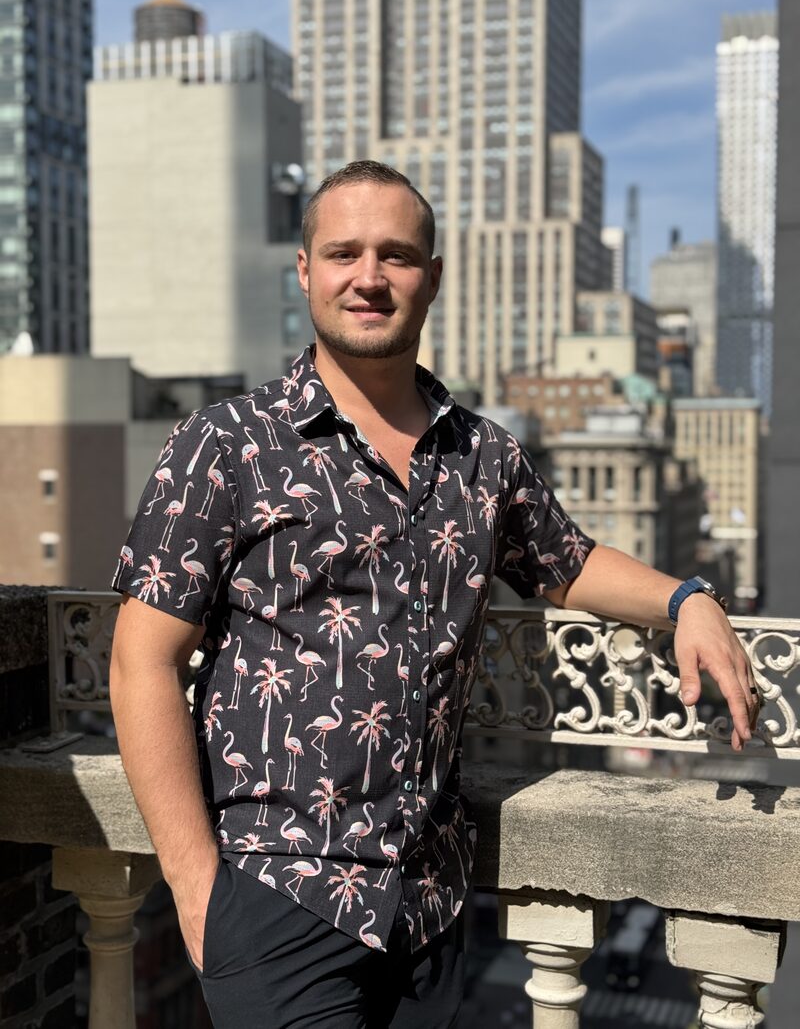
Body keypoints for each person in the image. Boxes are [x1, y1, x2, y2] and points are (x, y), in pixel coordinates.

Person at [109, 160, 758, 1029]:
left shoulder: (483, 456)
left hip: (430, 907)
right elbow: (138, 661)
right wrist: (198, 891)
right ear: (306, 271)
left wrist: (688, 600)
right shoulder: (226, 445)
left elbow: (565, 562)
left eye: (396, 255)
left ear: (433, 277)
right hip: (278, 896)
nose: (369, 277)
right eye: (344, 253)